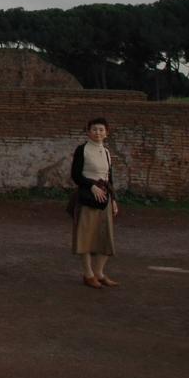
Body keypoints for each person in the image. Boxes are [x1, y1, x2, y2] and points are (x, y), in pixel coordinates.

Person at [71, 116, 119, 289]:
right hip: (88, 198)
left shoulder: (106, 152)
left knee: (105, 237)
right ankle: (88, 274)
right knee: (86, 236)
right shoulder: (82, 150)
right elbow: (75, 175)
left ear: (106, 133)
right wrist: (91, 186)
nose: (97, 132)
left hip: (105, 198)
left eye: (101, 130)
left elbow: (109, 178)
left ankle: (99, 273)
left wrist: (113, 200)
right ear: (88, 132)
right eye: (94, 129)